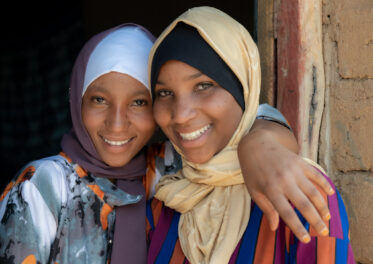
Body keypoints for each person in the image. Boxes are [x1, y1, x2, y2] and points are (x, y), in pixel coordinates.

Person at [0, 21, 332, 264]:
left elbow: (239, 117)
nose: (117, 123)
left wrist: (260, 143)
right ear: (77, 101)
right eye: (99, 100)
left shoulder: (170, 170)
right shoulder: (42, 186)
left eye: (139, 102)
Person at [146, 6, 355, 263]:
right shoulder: (164, 207)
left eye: (203, 86)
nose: (180, 114)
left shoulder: (302, 194)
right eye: (164, 93)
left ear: (242, 89)